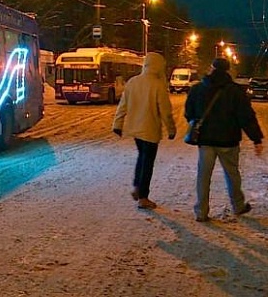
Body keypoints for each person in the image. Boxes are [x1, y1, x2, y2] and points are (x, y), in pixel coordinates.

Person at [184, 57, 263, 222]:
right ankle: (238, 206)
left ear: (211, 68)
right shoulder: (235, 91)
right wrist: (256, 138)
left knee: (203, 175)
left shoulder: (197, 89)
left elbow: (189, 113)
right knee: (232, 174)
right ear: (227, 71)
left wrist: (199, 124)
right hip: (229, 141)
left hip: (205, 140)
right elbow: (246, 117)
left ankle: (201, 212)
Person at [112, 52, 177, 210]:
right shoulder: (158, 85)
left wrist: (117, 124)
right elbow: (165, 111)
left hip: (135, 129)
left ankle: (137, 186)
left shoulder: (133, 82)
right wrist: (171, 129)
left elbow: (123, 105)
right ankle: (143, 197)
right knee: (147, 162)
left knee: (142, 157)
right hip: (150, 130)